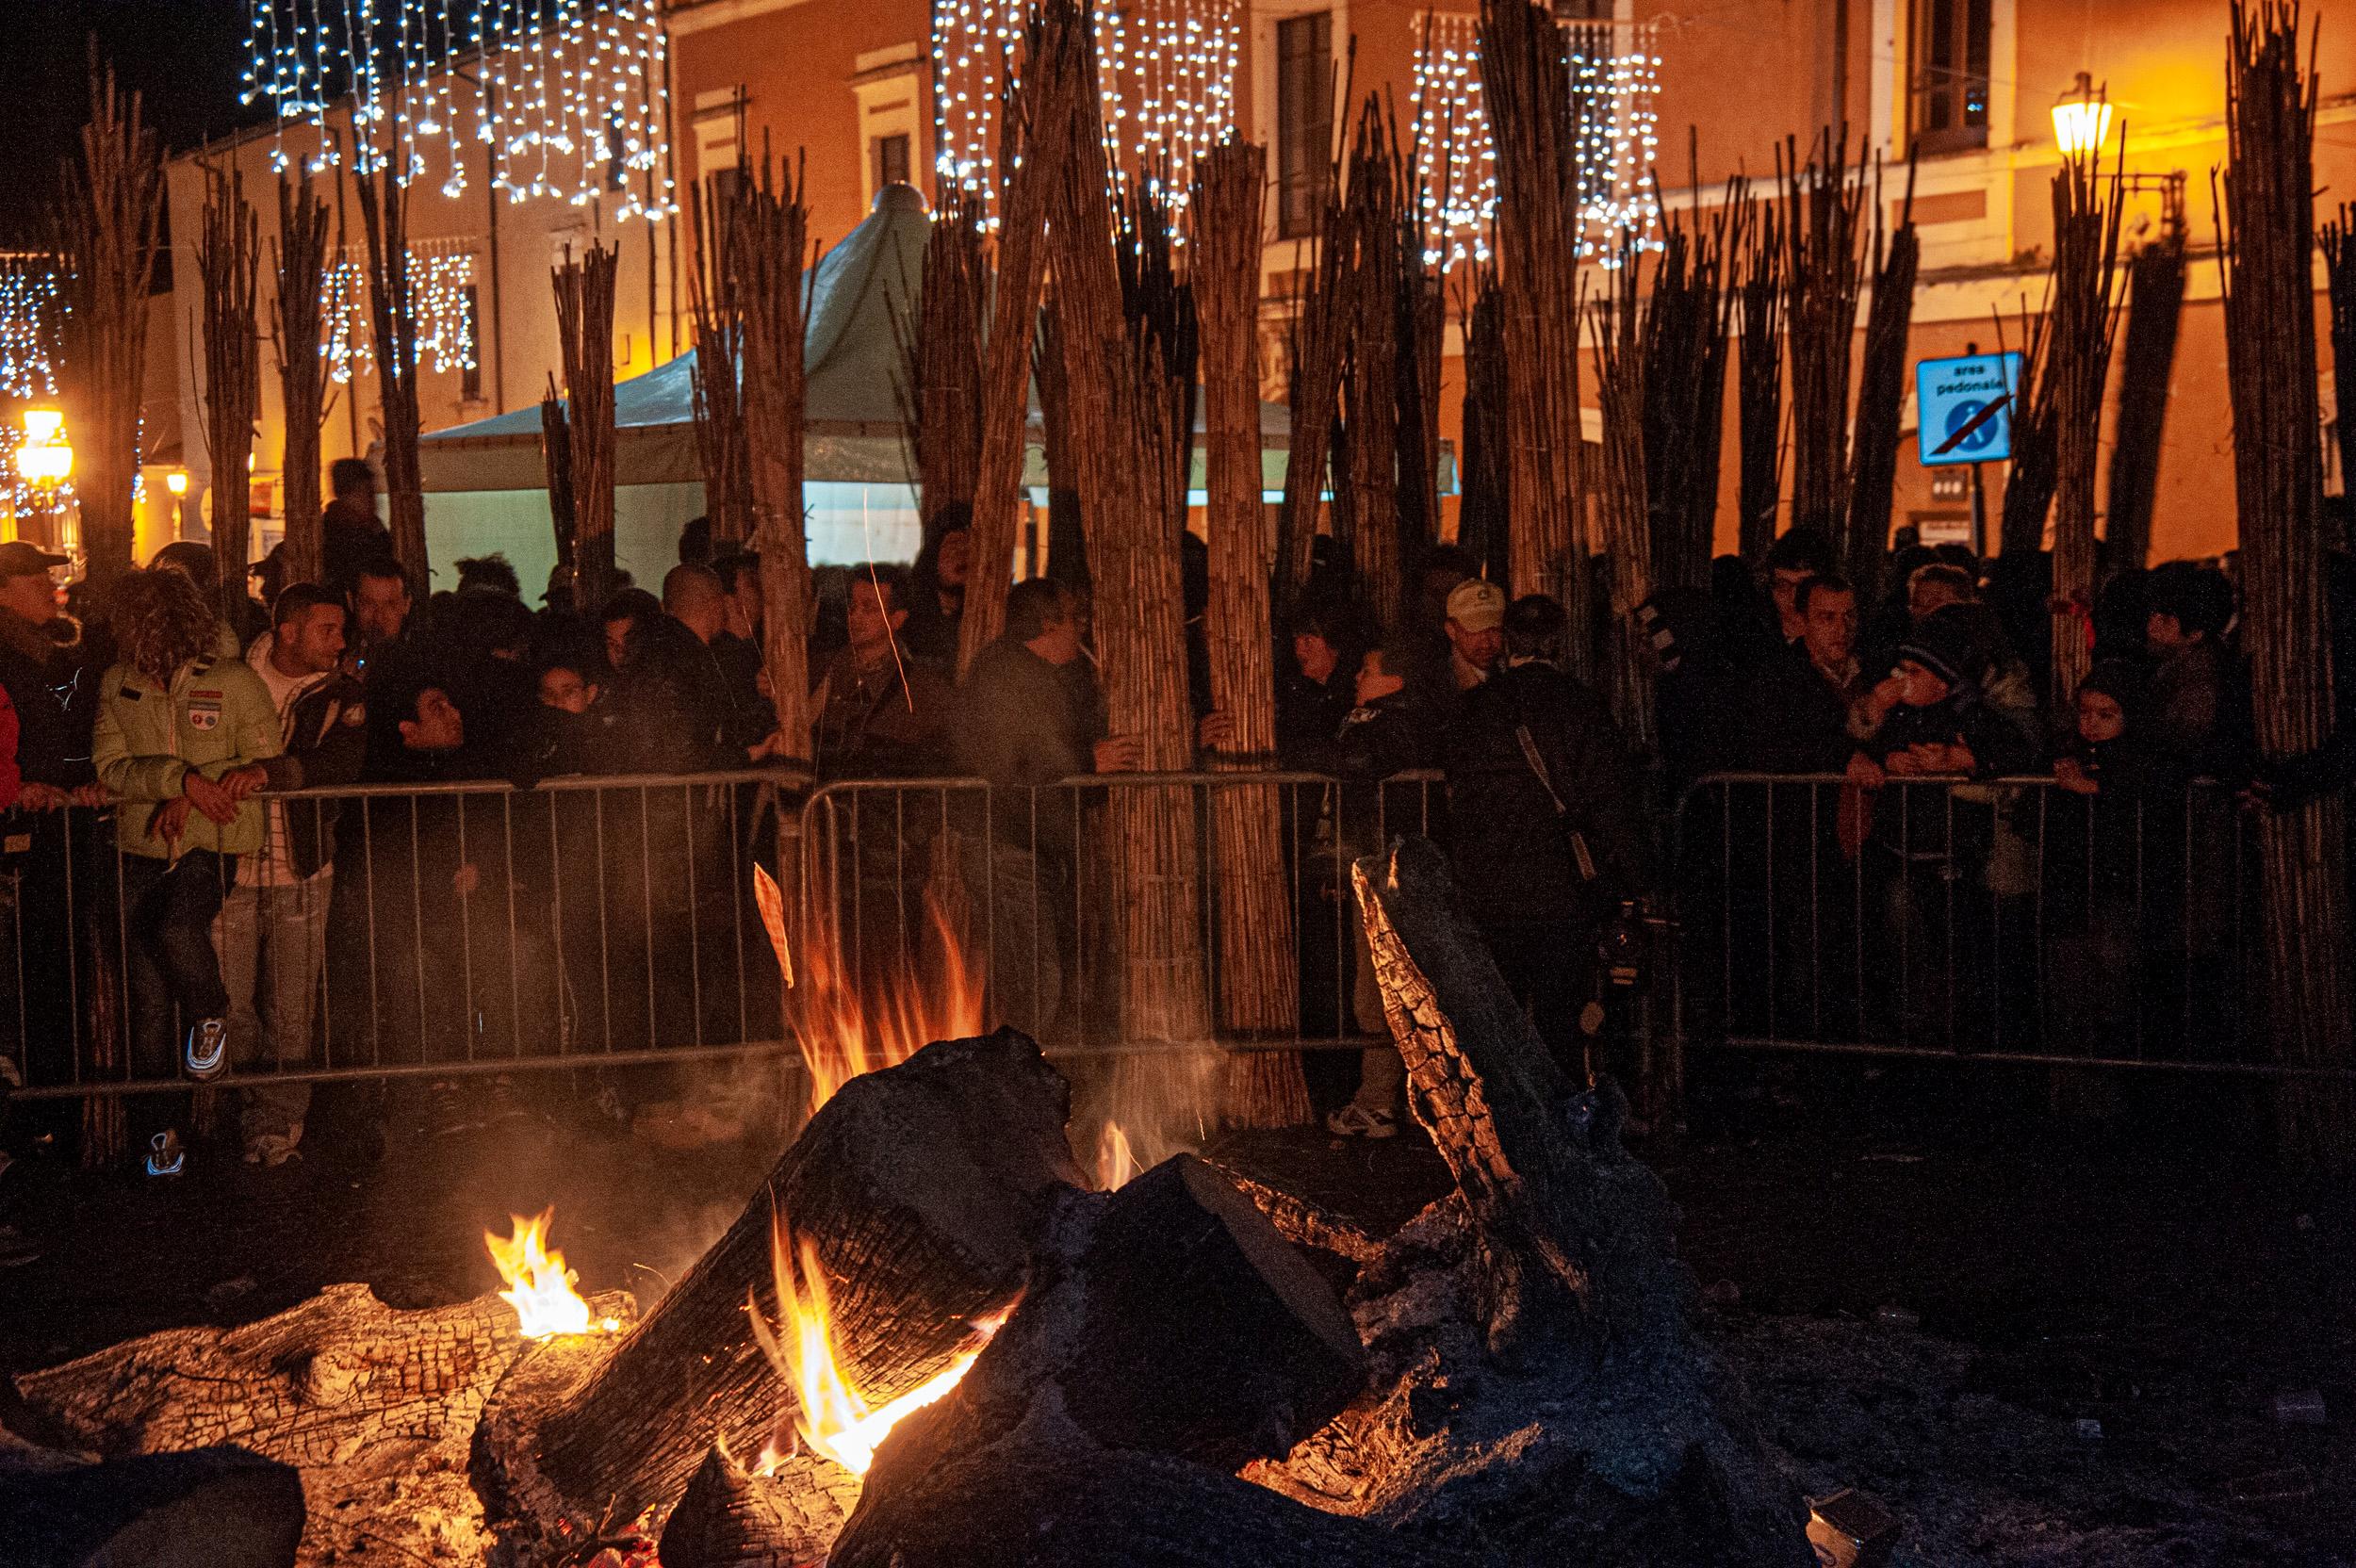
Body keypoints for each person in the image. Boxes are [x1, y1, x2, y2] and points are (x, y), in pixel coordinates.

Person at [92, 568, 300, 1175]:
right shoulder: (118, 682)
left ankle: (211, 1014)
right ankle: (162, 1140)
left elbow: (264, 758)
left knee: (178, 930)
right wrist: (178, 782)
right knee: (150, 1006)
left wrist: (203, 789)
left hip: (213, 841)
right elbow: (111, 765)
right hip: (139, 843)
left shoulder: (231, 681)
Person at [1444, 595, 1653, 1074]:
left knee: (1498, 1024)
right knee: (1564, 1023)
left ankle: (1502, 1130)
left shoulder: (1473, 710)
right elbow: (1609, 802)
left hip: (1489, 892)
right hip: (1563, 892)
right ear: (1558, 641)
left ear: (1507, 641)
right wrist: (1639, 877)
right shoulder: (1583, 707)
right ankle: (1563, 1129)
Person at [953, 577, 1139, 1039]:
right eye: (1074, 619)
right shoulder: (1003, 676)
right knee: (1033, 985)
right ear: (1046, 624)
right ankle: (1016, 1093)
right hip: (1006, 851)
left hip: (1026, 850)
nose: (1081, 630)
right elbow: (1009, 761)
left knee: (1036, 980)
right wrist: (1085, 762)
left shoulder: (1036, 676)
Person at [222, 583, 368, 1166]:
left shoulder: (342, 694)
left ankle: (276, 1122)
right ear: (287, 630)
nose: (338, 643)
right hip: (231, 867)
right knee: (228, 1002)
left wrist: (272, 772)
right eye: (326, 630)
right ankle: (234, 1105)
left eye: (340, 631)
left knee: (290, 1008)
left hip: (302, 867)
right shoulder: (231, 678)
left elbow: (342, 762)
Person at [1291, 636, 1445, 1137]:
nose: (1357, 677)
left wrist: (1286, 745)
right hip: (1378, 868)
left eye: (1367, 669)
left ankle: (1382, 1103)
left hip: (1391, 872)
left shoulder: (1399, 722)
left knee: (1379, 994)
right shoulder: (1376, 719)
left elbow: (1360, 760)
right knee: (1376, 992)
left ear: (1394, 680)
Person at [812, 565, 951, 780]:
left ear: (897, 618)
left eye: (869, 608)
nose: (855, 617)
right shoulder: (819, 671)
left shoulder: (924, 689)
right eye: (852, 608)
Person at [1744, 573, 1865, 774]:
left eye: (1849, 616)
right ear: (1802, 622)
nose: (1842, 628)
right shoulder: (1779, 678)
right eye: (1827, 618)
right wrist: (1843, 757)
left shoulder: (1868, 672)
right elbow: (1774, 745)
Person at [663, 563, 774, 763]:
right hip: (687, 789)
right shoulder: (693, 661)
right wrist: (747, 755)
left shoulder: (675, 651)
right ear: (715, 604)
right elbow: (687, 747)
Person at [905, 523, 971, 668]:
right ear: (933, 559)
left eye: (968, 551)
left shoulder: (982, 618)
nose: (962, 557)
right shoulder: (910, 618)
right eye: (953, 549)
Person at [321, 459, 392, 595]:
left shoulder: (374, 530)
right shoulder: (328, 535)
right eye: (368, 493)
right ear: (346, 496)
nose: (373, 502)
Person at [1442, 578, 1506, 691]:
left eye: (1494, 630)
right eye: (1475, 631)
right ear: (1451, 630)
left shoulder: (1511, 673)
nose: (1486, 644)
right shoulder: (1435, 684)